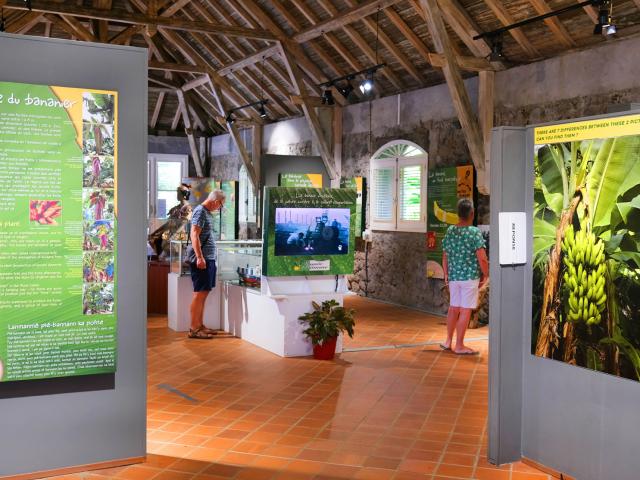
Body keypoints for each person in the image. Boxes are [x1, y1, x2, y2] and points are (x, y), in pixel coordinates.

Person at [441, 198, 488, 355]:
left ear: (458, 214)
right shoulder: (474, 233)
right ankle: (459, 345)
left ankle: (448, 341)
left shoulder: (450, 231)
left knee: (453, 308)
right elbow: (482, 257)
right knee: (465, 310)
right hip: (469, 277)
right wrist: (486, 274)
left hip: (454, 277)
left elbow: (445, 255)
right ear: (472, 214)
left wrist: (446, 274)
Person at [188, 189, 225, 339]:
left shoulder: (206, 213)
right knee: (199, 294)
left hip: (208, 258)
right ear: (216, 201)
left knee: (203, 294)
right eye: (221, 205)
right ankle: (194, 328)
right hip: (202, 259)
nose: (220, 208)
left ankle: (199, 325)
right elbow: (194, 234)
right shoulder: (200, 211)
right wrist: (199, 257)